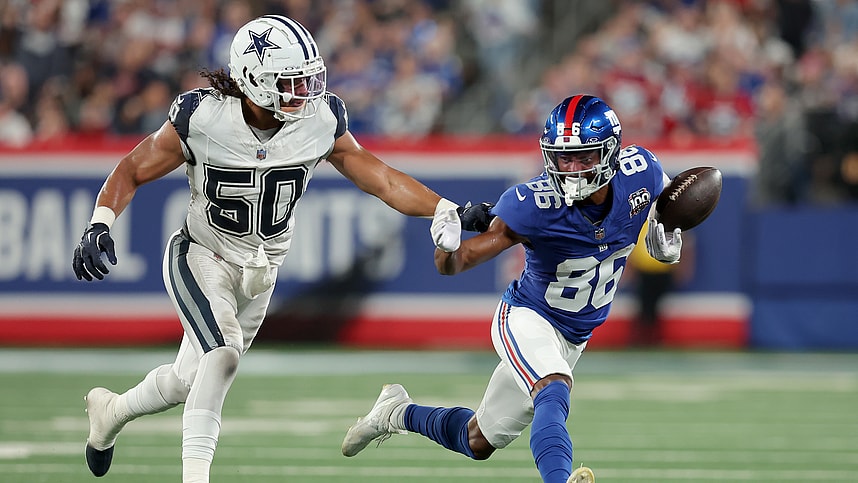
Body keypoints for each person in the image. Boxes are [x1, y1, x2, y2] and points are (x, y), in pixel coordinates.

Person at [71, 15, 489, 483]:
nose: (306, 92)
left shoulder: (319, 120)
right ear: (256, 81)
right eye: (293, 82)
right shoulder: (204, 118)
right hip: (201, 254)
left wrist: (444, 208)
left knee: (187, 380)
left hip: (260, 271)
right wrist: (99, 222)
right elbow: (131, 169)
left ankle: (110, 411)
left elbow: (383, 178)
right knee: (221, 356)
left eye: (310, 79)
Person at [341, 94, 684, 483]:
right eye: (562, 158)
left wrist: (669, 229)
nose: (571, 170)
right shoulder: (533, 204)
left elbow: (673, 201)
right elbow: (457, 263)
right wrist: (446, 243)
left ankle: (394, 412)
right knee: (553, 391)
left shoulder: (641, 172)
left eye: (583, 158)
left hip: (574, 336)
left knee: (478, 440)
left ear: (610, 153)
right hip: (528, 317)